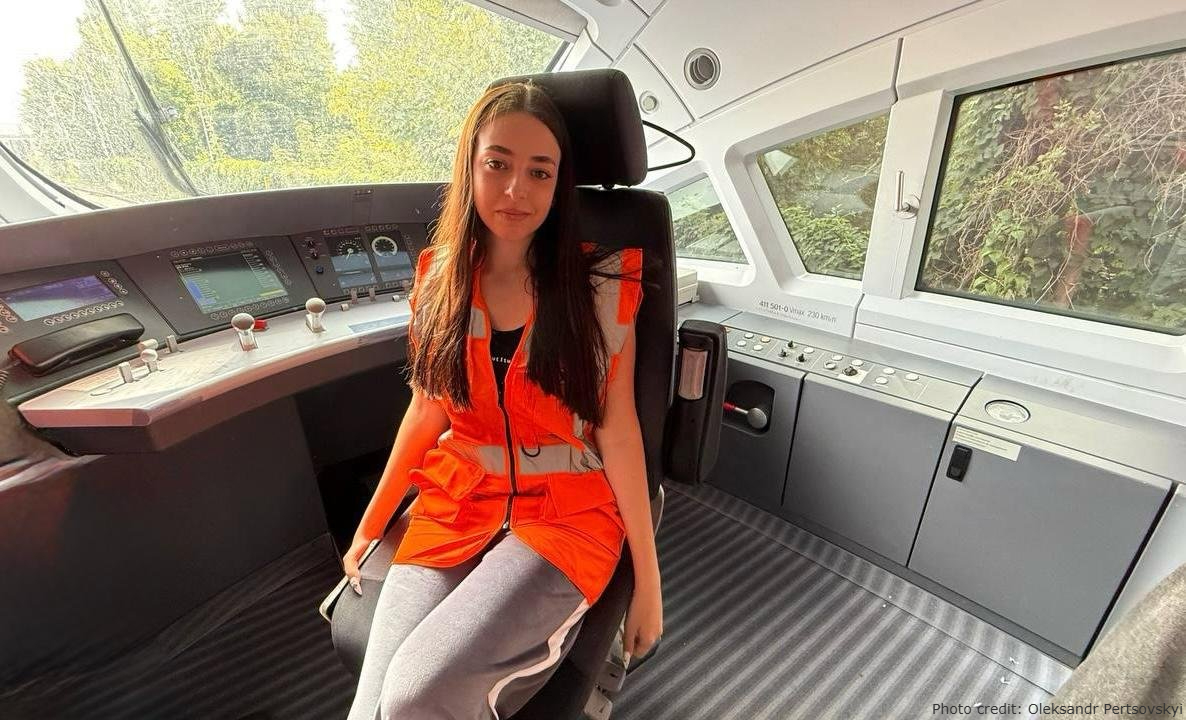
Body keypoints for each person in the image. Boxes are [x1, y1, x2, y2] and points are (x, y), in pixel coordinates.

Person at [342, 80, 663, 720]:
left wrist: (648, 585)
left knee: (414, 697)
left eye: (539, 172)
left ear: (557, 184)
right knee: (372, 702)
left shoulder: (600, 285)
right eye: (498, 164)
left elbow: (619, 431)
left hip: (565, 518)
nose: (517, 190)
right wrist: (372, 523)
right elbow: (426, 409)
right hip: (457, 503)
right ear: (471, 165)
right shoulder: (440, 276)